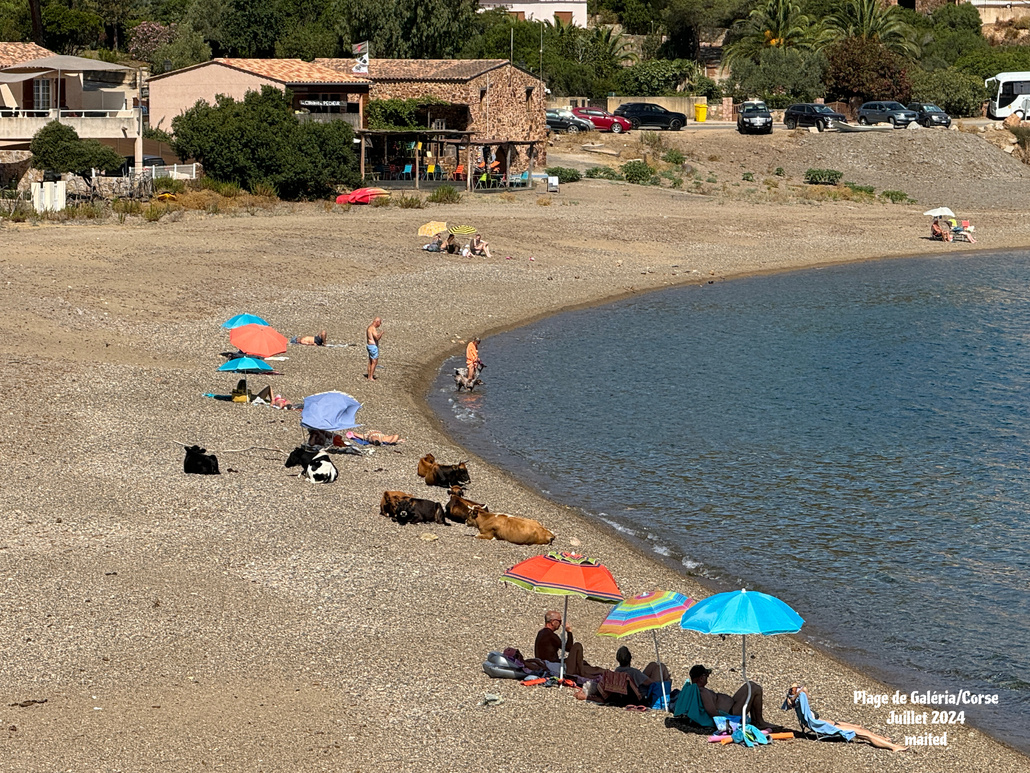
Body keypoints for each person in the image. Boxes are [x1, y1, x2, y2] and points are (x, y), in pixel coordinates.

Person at [784, 684, 908, 752]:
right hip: (824, 727)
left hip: (825, 723)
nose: (807, 692)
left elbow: (795, 690)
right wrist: (797, 694)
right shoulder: (802, 701)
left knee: (858, 727)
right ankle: (893, 747)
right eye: (805, 691)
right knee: (864, 734)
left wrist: (792, 696)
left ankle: (883, 739)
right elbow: (800, 692)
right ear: (800, 694)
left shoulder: (799, 704)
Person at [691, 664, 778, 731]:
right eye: (707, 675)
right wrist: (728, 723)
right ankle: (759, 722)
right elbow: (712, 711)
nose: (708, 678)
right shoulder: (702, 691)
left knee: (750, 684)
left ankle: (757, 720)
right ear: (701, 678)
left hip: (733, 707)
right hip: (732, 714)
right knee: (755, 689)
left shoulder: (700, 690)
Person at [534, 610, 604, 678]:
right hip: (551, 665)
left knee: (582, 662)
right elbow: (568, 648)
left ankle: (583, 669)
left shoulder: (541, 633)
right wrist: (569, 632)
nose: (560, 624)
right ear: (553, 622)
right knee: (577, 646)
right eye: (559, 621)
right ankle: (581, 672)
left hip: (544, 663)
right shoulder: (550, 635)